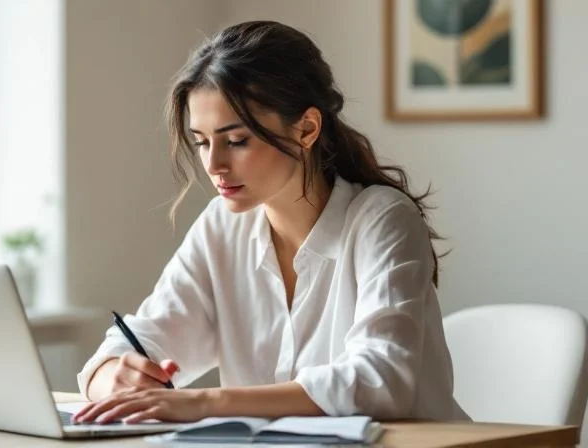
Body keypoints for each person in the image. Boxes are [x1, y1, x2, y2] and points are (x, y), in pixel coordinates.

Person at [72, 20, 469, 424]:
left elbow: (382, 383)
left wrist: (204, 403)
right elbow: (132, 345)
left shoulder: (383, 219)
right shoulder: (222, 228)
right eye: (202, 142)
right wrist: (112, 378)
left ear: (307, 128)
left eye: (237, 140)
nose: (214, 165)